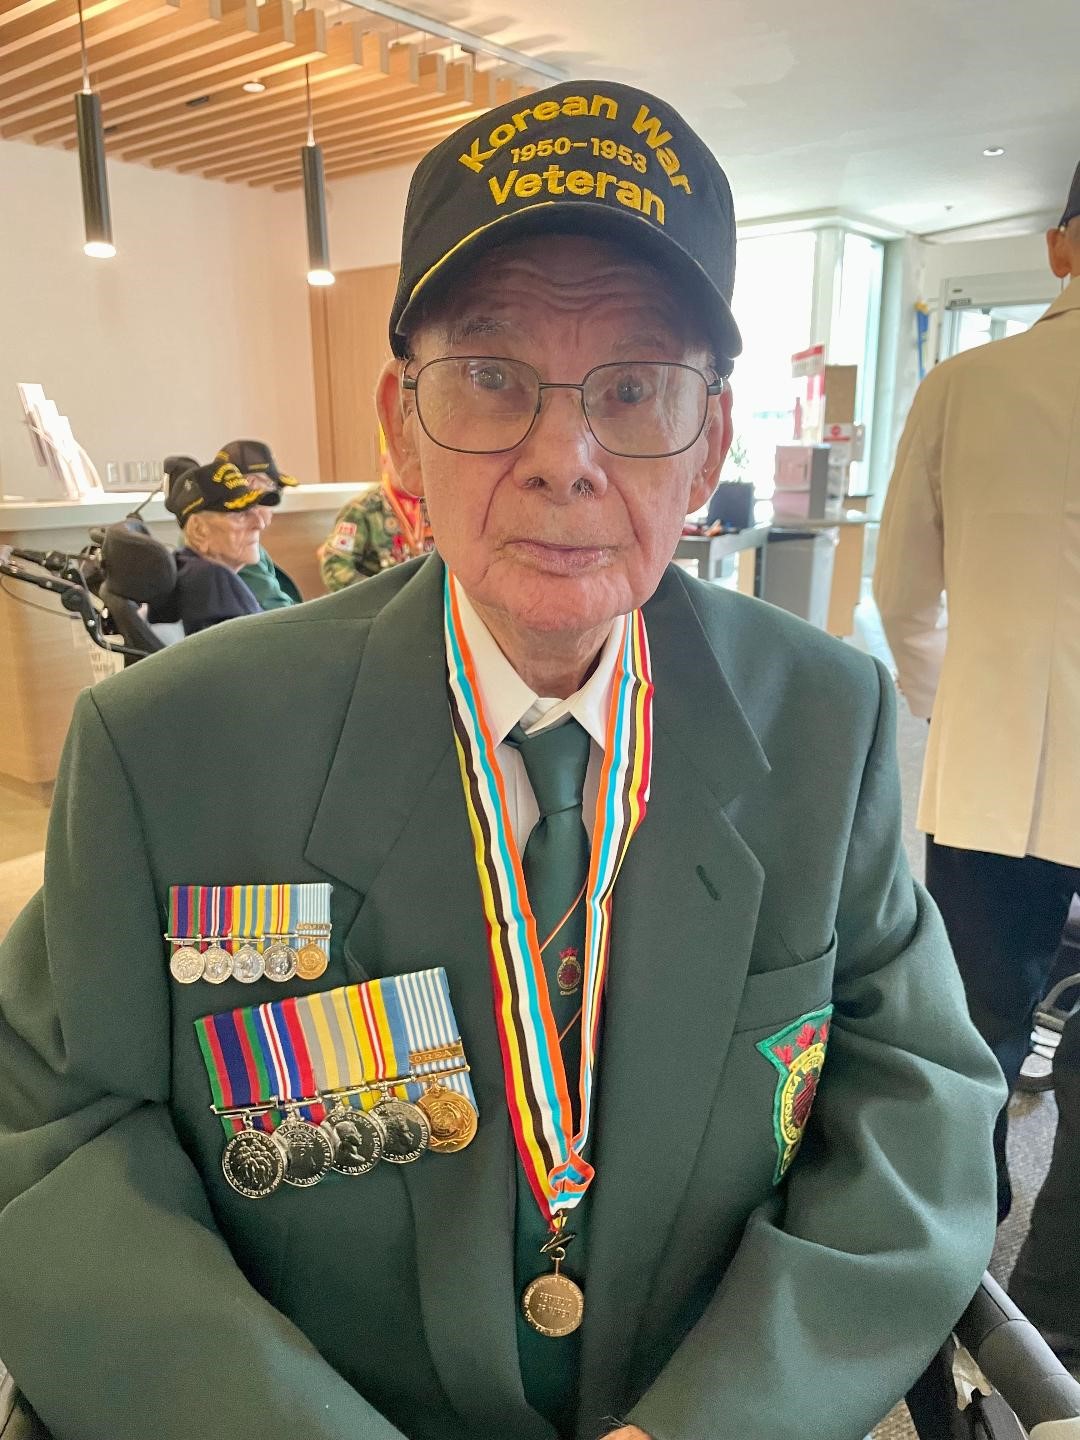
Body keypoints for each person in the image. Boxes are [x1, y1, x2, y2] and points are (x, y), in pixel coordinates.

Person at [0, 81, 1003, 1440]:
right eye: (490, 378)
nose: (565, 459)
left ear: (709, 444)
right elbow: (54, 1143)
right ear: (399, 425)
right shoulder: (171, 747)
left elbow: (921, 1105)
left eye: (636, 389)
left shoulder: (828, 725)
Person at [874, 162, 1080, 1354]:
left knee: (972, 1040)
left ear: (1059, 250)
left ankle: (961, 1266)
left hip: (996, 772)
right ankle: (1062, 1302)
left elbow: (904, 587)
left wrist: (957, 701)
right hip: (1001, 757)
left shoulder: (965, 382)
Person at [155, 455, 277, 633]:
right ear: (198, 530)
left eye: (254, 510)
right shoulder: (215, 578)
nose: (260, 523)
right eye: (240, 515)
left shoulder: (190, 568)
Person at [318, 449, 434, 590]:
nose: (409, 468)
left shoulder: (434, 505)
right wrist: (374, 596)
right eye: (402, 459)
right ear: (384, 462)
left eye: (417, 462)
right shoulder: (362, 510)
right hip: (383, 603)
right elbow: (335, 567)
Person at [215, 438, 304, 610]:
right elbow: (277, 612)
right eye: (274, 488)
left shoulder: (215, 529)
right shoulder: (233, 540)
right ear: (252, 486)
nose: (274, 506)